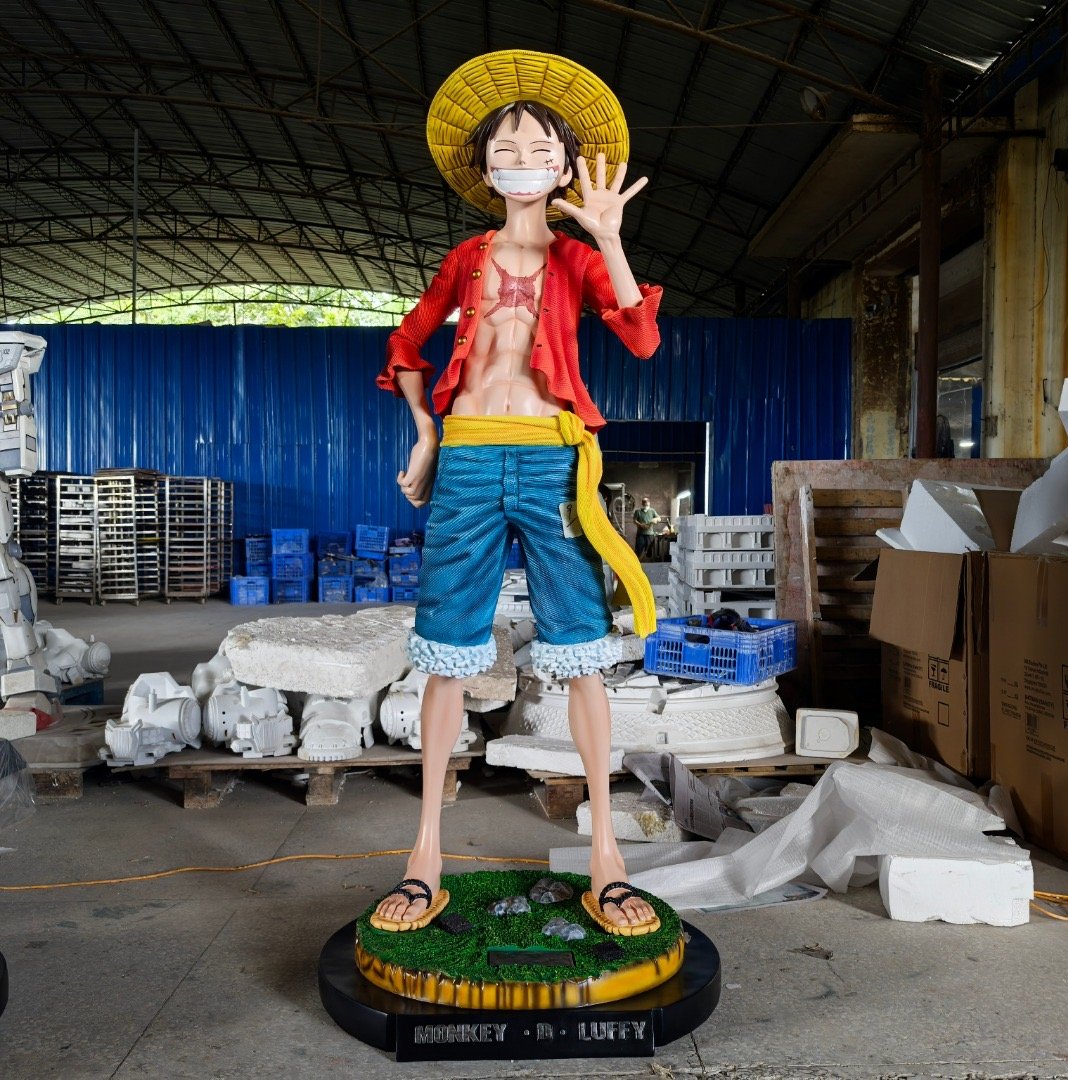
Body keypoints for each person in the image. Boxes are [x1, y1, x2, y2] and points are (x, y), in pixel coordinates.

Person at [371, 50, 662, 937]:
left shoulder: (576, 259)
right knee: (443, 652)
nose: (522, 160)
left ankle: (606, 855)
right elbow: (407, 343)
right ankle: (425, 856)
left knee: (580, 647)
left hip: (551, 462)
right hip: (465, 461)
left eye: (539, 149)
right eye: (507, 149)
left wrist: (609, 237)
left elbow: (641, 337)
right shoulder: (466, 258)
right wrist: (425, 432)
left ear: (566, 167)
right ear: (486, 169)